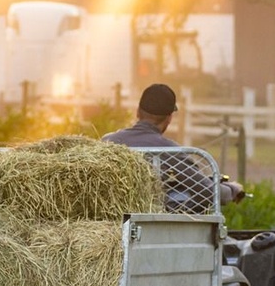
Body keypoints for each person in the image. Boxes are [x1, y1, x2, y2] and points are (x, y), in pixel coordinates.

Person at [102, 83, 245, 208]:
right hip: (151, 218)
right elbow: (207, 191)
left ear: (137, 111)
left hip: (108, 217)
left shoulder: (107, 141)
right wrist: (232, 190)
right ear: (169, 118)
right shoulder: (170, 150)